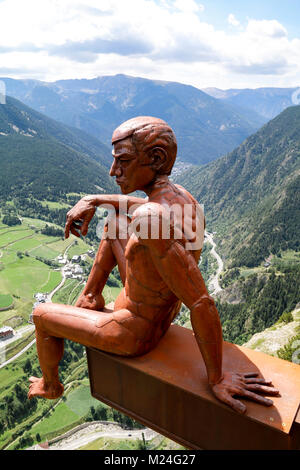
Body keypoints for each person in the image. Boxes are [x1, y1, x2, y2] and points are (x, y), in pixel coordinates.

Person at [28, 116, 279, 414]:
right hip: (158, 308)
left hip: (133, 331)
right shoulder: (182, 197)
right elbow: (136, 209)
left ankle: (50, 385)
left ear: (156, 158)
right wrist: (93, 199)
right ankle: (92, 296)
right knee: (114, 221)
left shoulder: (151, 218)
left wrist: (218, 378)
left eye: (123, 161)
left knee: (41, 315)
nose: (114, 171)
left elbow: (201, 302)